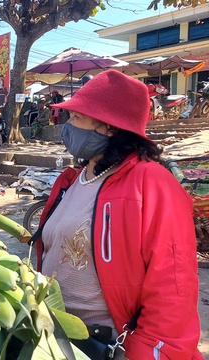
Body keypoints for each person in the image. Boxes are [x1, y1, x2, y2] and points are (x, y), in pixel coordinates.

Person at [33, 70, 202, 360]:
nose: (67, 126)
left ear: (109, 128)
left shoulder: (151, 183)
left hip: (106, 346)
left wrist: (147, 352)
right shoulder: (72, 180)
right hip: (55, 340)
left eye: (77, 118)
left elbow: (173, 287)